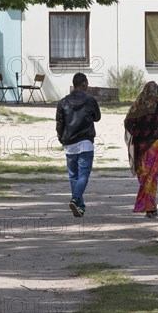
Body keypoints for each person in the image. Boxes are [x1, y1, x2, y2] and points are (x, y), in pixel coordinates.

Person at [124, 81, 158, 218]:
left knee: (144, 177)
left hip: (141, 148)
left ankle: (149, 207)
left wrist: (135, 135)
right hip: (157, 147)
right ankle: (150, 208)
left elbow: (128, 122)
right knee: (152, 178)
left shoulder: (138, 105)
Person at [56, 73, 101, 217]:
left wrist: (61, 138)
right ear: (84, 84)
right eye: (87, 84)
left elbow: (59, 123)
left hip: (69, 142)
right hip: (86, 142)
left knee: (73, 175)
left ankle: (79, 206)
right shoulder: (90, 100)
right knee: (84, 175)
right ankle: (76, 199)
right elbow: (98, 118)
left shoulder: (63, 102)